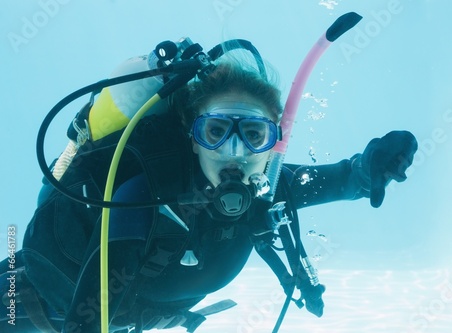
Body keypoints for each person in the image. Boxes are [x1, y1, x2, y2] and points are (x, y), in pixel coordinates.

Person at [0, 40, 418, 333]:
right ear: (191, 136)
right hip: (28, 299)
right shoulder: (144, 193)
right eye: (216, 131)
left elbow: (345, 179)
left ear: (275, 143)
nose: (234, 153)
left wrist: (371, 171)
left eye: (253, 135)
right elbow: (85, 321)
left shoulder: (270, 186)